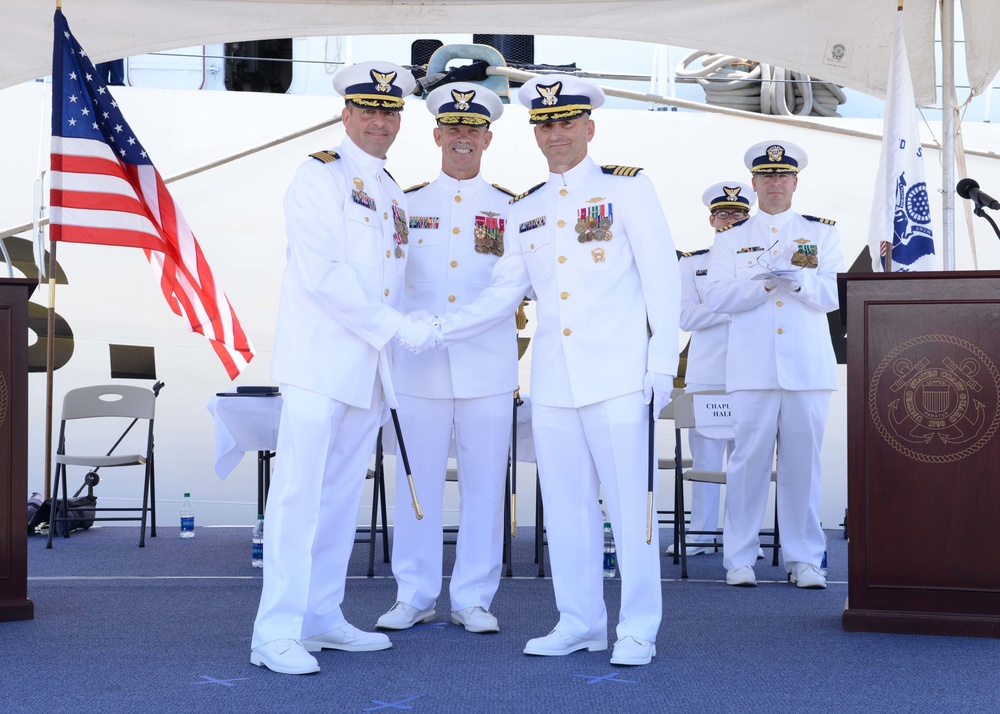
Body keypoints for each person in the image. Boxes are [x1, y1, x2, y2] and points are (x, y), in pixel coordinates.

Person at [410, 75, 680, 666]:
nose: (555, 133)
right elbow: (503, 295)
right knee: (566, 507)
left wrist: (663, 360)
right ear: (534, 133)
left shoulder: (628, 190)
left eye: (566, 122)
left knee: (631, 507)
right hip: (556, 382)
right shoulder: (525, 209)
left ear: (589, 127)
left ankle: (638, 626)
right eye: (545, 124)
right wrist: (437, 328)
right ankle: (579, 621)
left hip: (619, 377)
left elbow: (664, 279)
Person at [250, 61, 440, 676]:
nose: (380, 121)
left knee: (337, 502)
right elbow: (324, 275)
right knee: (298, 498)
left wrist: (407, 328)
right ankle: (274, 631)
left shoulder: (388, 189)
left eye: (391, 113)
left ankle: (320, 616)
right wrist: (396, 328)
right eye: (369, 110)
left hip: (369, 371)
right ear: (347, 114)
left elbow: (392, 281)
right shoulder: (318, 177)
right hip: (319, 363)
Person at [376, 82, 517, 635]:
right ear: (436, 135)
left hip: (486, 369)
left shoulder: (512, 208)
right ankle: (413, 594)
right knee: (416, 483)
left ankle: (474, 598)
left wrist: (443, 328)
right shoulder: (404, 205)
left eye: (473, 129)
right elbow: (388, 282)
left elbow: (508, 291)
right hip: (418, 369)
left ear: (487, 138)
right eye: (453, 128)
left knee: (485, 487)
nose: (463, 138)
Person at [704, 140, 844, 589]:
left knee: (803, 465)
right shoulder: (731, 237)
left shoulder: (821, 233)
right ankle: (739, 557)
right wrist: (763, 286)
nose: (775, 182)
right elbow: (717, 297)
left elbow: (833, 296)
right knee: (748, 465)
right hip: (752, 368)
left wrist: (798, 280)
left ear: (795, 182)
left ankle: (804, 557)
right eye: (767, 176)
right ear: (754, 183)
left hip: (806, 368)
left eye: (783, 175)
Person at [670, 181, 755, 557]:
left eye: (737, 215)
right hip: (706, 377)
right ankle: (701, 536)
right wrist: (736, 303)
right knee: (705, 462)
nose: (730, 220)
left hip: (752, 375)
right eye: (723, 214)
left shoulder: (760, 259)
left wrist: (725, 305)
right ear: (711, 219)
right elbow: (686, 317)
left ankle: (744, 540)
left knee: (747, 463)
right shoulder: (692, 263)